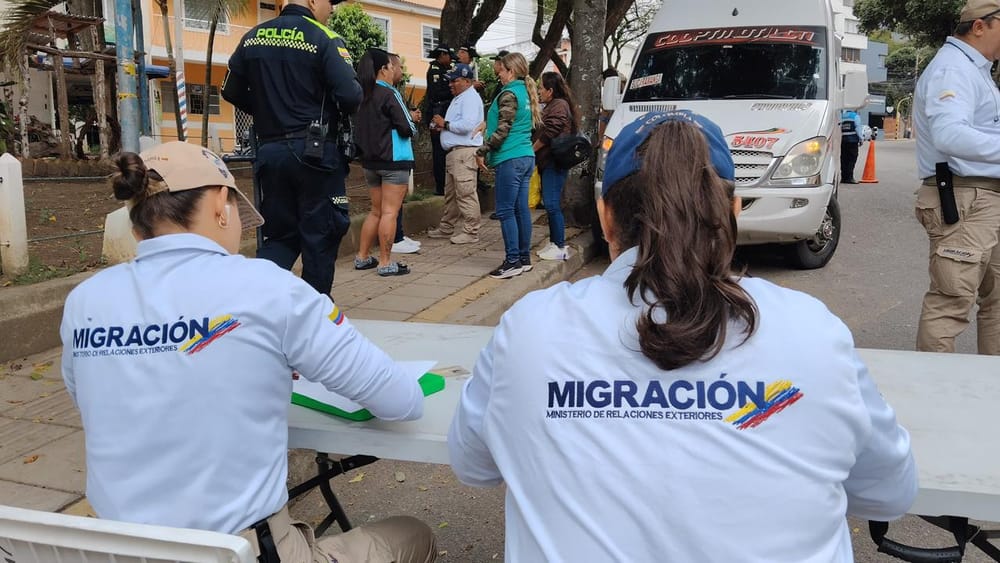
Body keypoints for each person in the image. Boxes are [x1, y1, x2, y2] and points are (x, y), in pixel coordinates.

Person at [448, 111, 917, 561]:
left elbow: (474, 466)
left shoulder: (529, 328)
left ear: (605, 216)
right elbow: (889, 492)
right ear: (733, 210)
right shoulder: (812, 331)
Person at [60, 142, 437, 563]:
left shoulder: (85, 302)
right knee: (413, 534)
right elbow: (401, 400)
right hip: (242, 550)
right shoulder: (267, 287)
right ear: (221, 205)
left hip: (118, 550)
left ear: (136, 227)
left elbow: (93, 399)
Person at [221, 0, 360, 298]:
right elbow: (350, 95)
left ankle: (256, 305)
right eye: (328, 2)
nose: (331, 9)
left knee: (280, 236)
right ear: (311, 1)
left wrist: (266, 110)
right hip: (315, 152)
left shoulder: (253, 36)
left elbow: (230, 90)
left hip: (270, 152)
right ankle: (315, 314)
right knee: (320, 235)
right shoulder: (324, 37)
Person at [913, 0, 1000, 355]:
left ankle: (990, 390)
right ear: (980, 26)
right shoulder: (953, 70)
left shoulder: (975, 70)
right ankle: (932, 401)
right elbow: (950, 135)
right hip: (966, 198)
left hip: (981, 197)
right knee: (950, 303)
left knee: (996, 303)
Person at [476, 52, 542, 279]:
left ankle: (512, 261)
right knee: (520, 209)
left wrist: (481, 150)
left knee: (505, 211)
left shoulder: (510, 94)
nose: (499, 77)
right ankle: (523, 259)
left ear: (511, 71)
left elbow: (502, 130)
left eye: (501, 72)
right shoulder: (526, 92)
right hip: (525, 156)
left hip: (510, 158)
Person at [354, 48, 418, 277]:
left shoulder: (362, 94)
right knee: (390, 212)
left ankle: (362, 257)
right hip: (394, 161)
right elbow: (407, 127)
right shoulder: (390, 93)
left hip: (370, 162)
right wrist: (414, 126)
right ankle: (385, 262)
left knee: (376, 211)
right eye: (392, 66)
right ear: (383, 69)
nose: (394, 70)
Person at [427, 63, 485, 244]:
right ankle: (447, 227)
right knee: (451, 194)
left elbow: (467, 126)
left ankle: (471, 231)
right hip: (455, 153)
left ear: (467, 81)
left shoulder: (469, 98)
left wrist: (444, 124)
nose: (450, 84)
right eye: (450, 81)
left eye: (455, 81)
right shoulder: (461, 97)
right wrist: (442, 127)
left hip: (464, 152)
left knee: (466, 192)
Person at [532, 71, 579, 261]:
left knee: (552, 204)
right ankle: (554, 243)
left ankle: (559, 245)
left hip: (554, 161)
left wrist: (532, 149)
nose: (539, 91)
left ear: (550, 90)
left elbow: (551, 130)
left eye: (541, 88)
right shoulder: (554, 104)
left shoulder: (559, 105)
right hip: (548, 161)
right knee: (551, 203)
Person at [389, 52, 423, 255]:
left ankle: (398, 235)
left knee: (396, 203)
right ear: (389, 68)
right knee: (390, 205)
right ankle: (393, 240)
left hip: (399, 155)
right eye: (400, 66)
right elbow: (404, 125)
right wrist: (409, 119)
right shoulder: (387, 93)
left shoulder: (393, 91)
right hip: (393, 156)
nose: (402, 70)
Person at [426, 44, 454, 196]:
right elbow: (437, 94)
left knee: (446, 150)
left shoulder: (446, 70)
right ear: (442, 55)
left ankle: (446, 183)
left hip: (446, 115)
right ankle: (440, 186)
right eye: (449, 57)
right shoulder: (435, 71)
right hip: (437, 113)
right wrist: (453, 91)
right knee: (438, 151)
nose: (450, 61)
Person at [840, 109, 863, 184]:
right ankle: (850, 178)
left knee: (844, 159)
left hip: (843, 141)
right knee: (852, 159)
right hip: (852, 141)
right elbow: (858, 128)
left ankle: (843, 177)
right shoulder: (855, 116)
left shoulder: (842, 117)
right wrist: (861, 139)